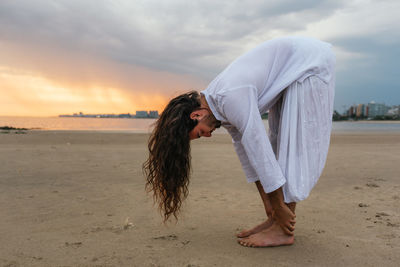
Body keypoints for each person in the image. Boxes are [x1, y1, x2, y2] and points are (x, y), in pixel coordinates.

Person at [143, 36, 335, 247]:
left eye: (199, 134)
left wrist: (279, 205)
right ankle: (275, 221)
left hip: (308, 63)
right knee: (277, 142)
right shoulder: (218, 106)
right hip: (295, 65)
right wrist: (270, 206)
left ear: (196, 115)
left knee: (292, 144)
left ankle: (283, 229)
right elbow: (247, 153)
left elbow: (259, 149)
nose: (207, 136)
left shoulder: (229, 97)